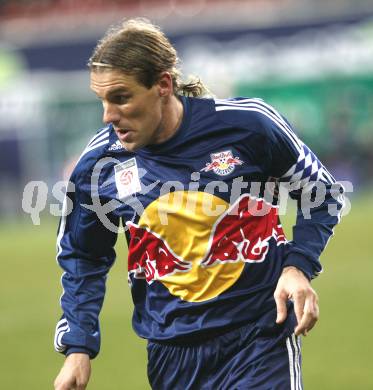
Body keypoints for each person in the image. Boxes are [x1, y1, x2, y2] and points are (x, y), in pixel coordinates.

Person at [53, 18, 344, 390]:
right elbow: (82, 255)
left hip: (259, 336)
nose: (108, 115)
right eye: (103, 100)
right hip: (171, 355)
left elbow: (322, 194)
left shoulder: (248, 125)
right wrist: (78, 346)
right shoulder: (99, 164)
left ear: (162, 85)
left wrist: (297, 266)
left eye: (121, 97)